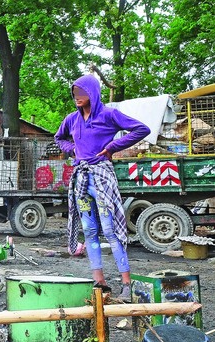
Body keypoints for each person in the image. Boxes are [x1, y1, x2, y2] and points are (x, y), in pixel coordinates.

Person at [55, 74, 149, 301]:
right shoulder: (72, 119)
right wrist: (72, 150)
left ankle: (126, 285)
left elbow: (141, 129)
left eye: (82, 93)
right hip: (82, 180)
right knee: (88, 230)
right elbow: (59, 137)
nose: (77, 97)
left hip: (102, 178)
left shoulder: (109, 114)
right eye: (75, 93)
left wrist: (113, 147)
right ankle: (100, 282)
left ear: (93, 93)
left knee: (111, 230)